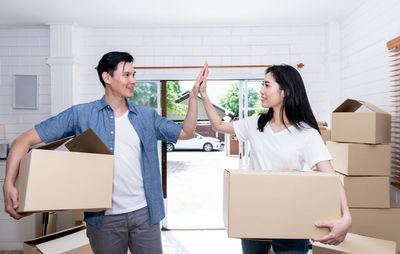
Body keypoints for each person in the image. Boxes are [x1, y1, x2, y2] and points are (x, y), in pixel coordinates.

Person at [3, 51, 208, 254]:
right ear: (107, 77)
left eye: (134, 74)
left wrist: (193, 96)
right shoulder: (81, 114)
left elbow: (186, 132)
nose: (133, 80)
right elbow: (23, 140)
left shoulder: (146, 116)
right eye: (127, 75)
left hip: (145, 215)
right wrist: (8, 184)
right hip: (104, 220)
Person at [199, 64, 352, 254]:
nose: (261, 90)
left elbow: (331, 177)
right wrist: (204, 95)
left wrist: (347, 217)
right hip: (255, 217)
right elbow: (219, 125)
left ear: (285, 91)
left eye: (266, 85)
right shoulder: (256, 123)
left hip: (291, 219)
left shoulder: (306, 134)